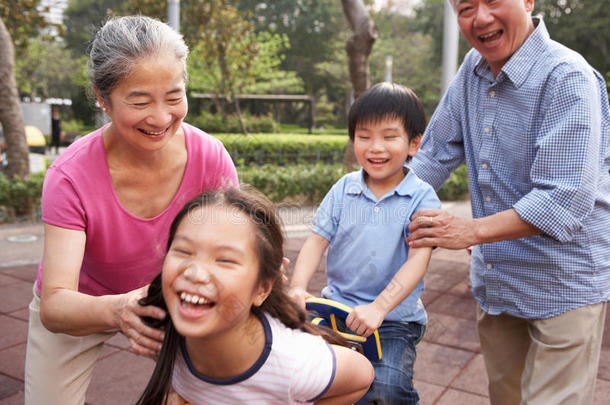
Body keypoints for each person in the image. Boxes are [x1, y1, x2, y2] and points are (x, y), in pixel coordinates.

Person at [24, 16, 239, 405]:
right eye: (140, 102)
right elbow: (55, 304)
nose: (160, 118)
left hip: (174, 295)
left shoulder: (210, 158)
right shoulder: (70, 176)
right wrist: (118, 308)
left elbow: (235, 247)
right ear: (102, 98)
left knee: (219, 390)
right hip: (82, 301)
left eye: (174, 97)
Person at [406, 1, 610, 404]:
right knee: (506, 397)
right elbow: (434, 154)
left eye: (494, 1)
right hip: (498, 277)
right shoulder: (473, 68)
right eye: (465, 7)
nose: (480, 18)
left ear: (528, 1)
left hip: (563, 280)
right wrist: (373, 203)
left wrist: (471, 230)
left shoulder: (566, 76)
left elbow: (563, 199)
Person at [135, 187, 375, 405]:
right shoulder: (158, 323)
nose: (195, 273)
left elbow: (362, 375)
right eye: (183, 251)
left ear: (262, 288)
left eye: (225, 260)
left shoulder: (293, 365)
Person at [289, 82, 441, 404]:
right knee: (313, 381)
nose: (375, 147)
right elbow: (316, 241)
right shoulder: (344, 190)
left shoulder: (421, 198)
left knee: (387, 390)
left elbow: (418, 260)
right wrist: (297, 288)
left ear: (414, 144)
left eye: (389, 137)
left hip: (393, 319)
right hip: (336, 311)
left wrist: (379, 307)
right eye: (364, 136)